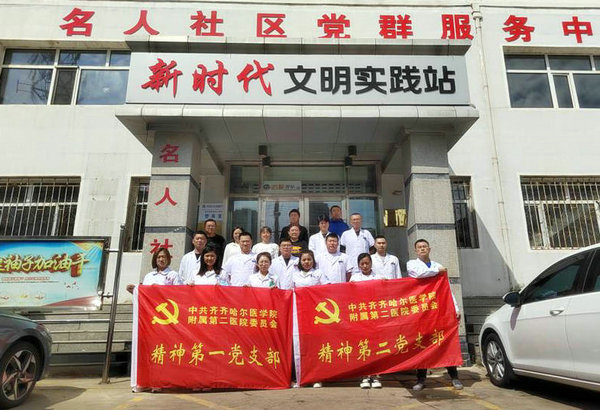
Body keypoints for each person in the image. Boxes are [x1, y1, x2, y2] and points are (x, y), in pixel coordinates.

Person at [407, 239, 463, 391]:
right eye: (419, 247)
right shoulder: (412, 264)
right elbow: (419, 274)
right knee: (422, 343)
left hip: (439, 311)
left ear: (429, 249)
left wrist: (455, 308)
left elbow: (447, 289)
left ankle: (454, 377)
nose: (422, 249)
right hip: (422, 311)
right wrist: (438, 271)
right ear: (415, 250)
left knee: (445, 342)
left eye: (425, 246)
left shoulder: (438, 265)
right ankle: (421, 379)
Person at [349, 253, 384, 389]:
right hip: (360, 316)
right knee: (363, 345)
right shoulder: (354, 278)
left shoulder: (379, 277)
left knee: (375, 345)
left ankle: (375, 375)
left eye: (367, 263)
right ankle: (364, 375)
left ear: (371, 263)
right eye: (362, 264)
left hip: (375, 316)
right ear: (358, 265)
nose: (365, 266)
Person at [291, 250, 324, 389]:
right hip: (298, 314)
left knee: (315, 346)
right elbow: (288, 292)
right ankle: (298, 378)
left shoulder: (319, 273)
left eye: (309, 259)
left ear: (313, 261)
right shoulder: (294, 275)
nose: (306, 262)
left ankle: (317, 377)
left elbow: (327, 289)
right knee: (299, 345)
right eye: (304, 260)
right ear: (300, 261)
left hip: (315, 315)